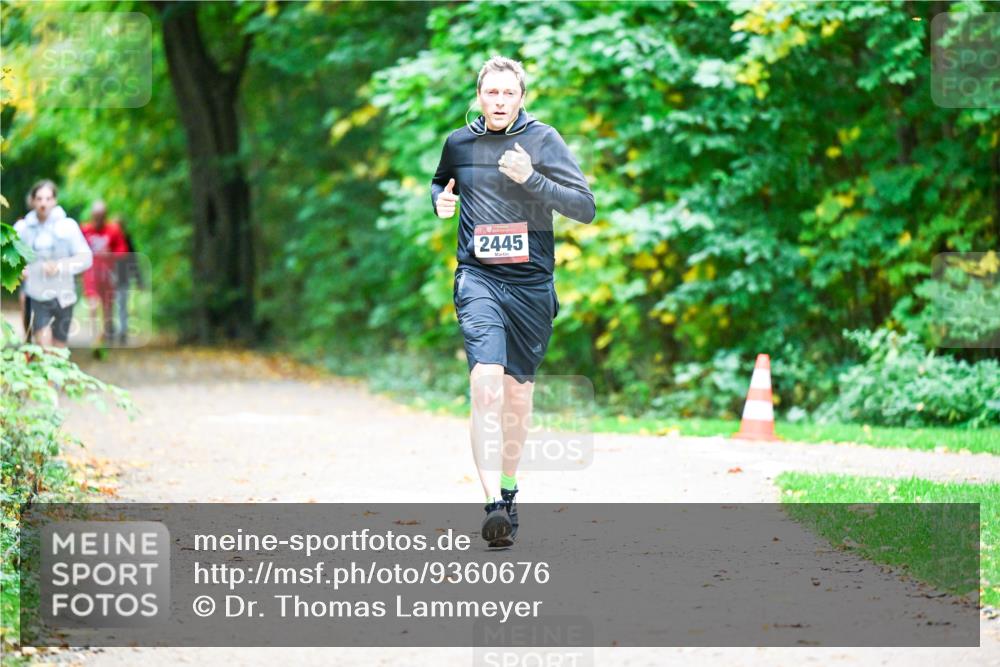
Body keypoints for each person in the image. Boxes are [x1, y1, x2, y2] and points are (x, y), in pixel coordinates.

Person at [430, 56, 596, 546]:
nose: (499, 102)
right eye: (491, 93)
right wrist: (439, 200)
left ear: (522, 97)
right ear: (479, 97)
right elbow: (443, 180)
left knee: (517, 398)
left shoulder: (544, 141)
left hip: (530, 288)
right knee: (485, 386)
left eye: (508, 94)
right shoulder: (459, 142)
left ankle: (509, 487)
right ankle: (492, 507)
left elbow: (585, 208)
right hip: (478, 278)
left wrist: (533, 179)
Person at [14, 180, 93, 348]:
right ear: (33, 201)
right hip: (35, 295)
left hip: (63, 294)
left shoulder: (69, 227)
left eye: (48, 198)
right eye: (40, 198)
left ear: (55, 200)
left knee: (59, 351)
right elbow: (10, 258)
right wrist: (19, 269)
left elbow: (86, 258)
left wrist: (61, 266)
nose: (44, 203)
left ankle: (49, 372)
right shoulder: (22, 228)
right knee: (44, 346)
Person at [81, 200, 128, 345]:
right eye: (96, 216)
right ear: (92, 215)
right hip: (91, 274)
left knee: (108, 306)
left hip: (108, 274)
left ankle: (106, 333)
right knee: (93, 304)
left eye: (101, 216)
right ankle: (95, 337)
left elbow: (123, 250)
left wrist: (112, 254)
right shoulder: (85, 229)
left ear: (105, 216)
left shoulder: (113, 230)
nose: (98, 220)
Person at [113, 215, 144, 345]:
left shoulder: (127, 240)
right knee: (111, 306)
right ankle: (110, 330)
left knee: (122, 305)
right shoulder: (109, 239)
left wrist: (138, 279)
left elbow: (133, 260)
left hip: (123, 277)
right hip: (109, 278)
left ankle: (122, 331)